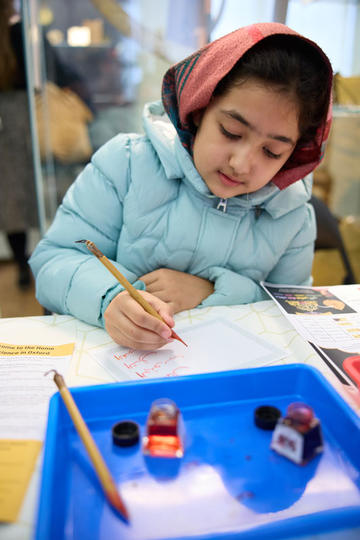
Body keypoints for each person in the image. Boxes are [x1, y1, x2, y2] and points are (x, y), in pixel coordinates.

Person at [30, 22, 332, 350]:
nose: (241, 164)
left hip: (223, 375)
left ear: (294, 154)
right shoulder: (126, 164)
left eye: (272, 152)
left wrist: (213, 290)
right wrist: (109, 300)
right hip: (114, 366)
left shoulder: (291, 212)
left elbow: (293, 307)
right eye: (231, 131)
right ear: (199, 109)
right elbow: (54, 260)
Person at [0, 0, 38, 288]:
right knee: (31, 189)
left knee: (10, 196)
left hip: (10, 119)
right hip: (23, 115)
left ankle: (23, 264)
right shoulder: (21, 32)